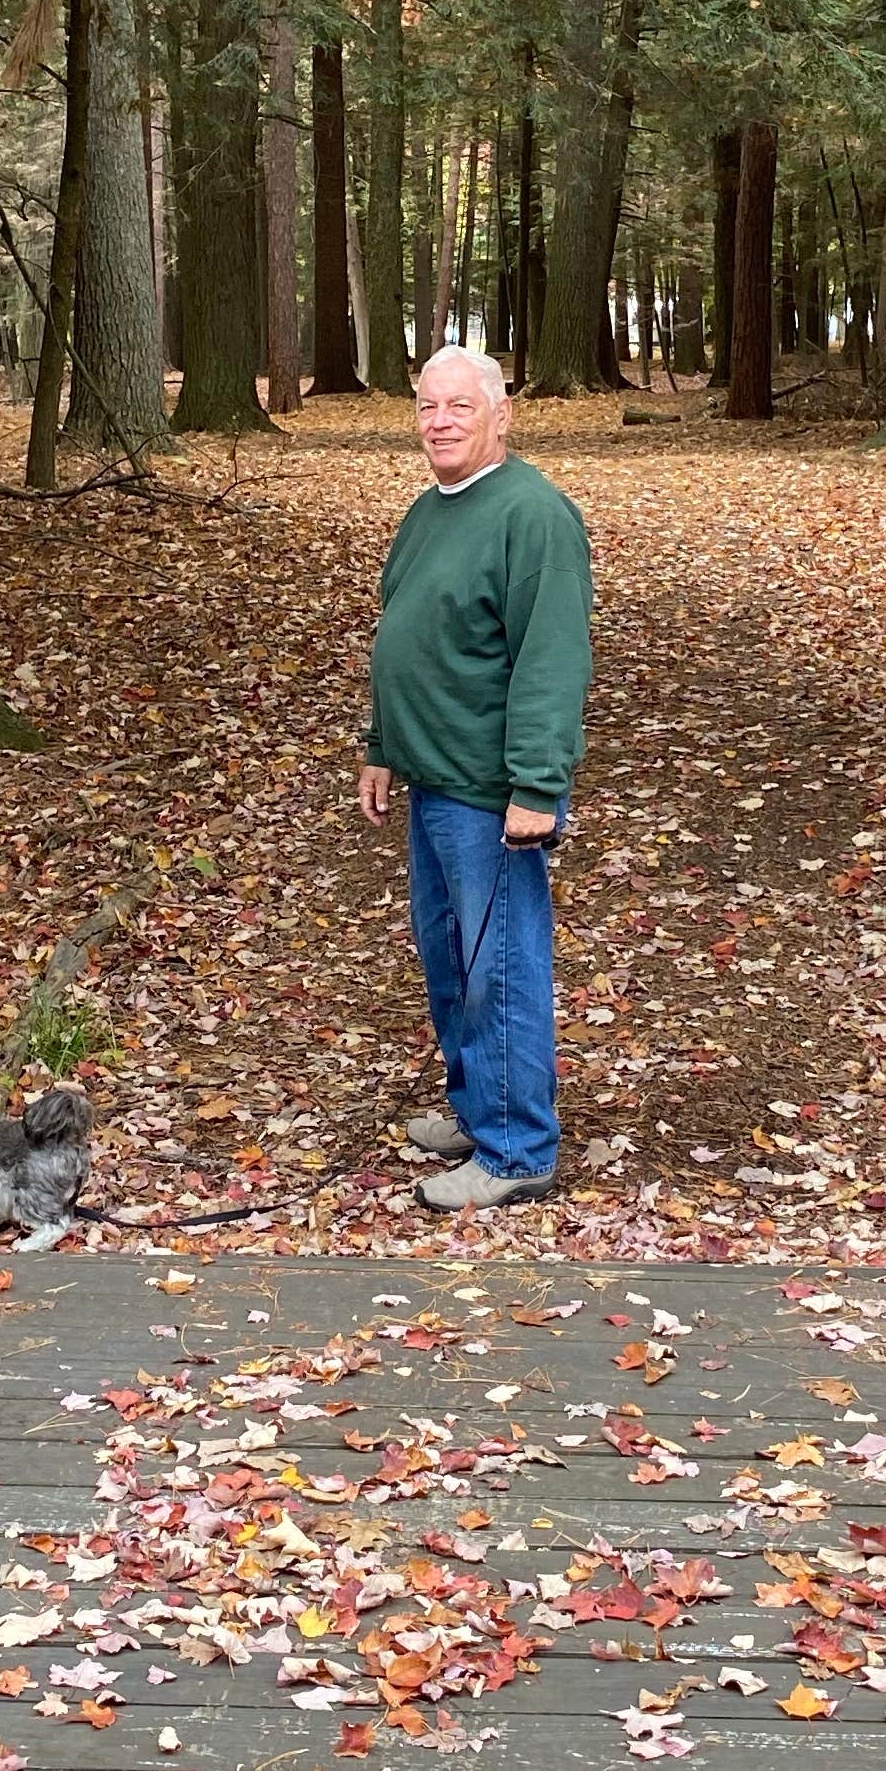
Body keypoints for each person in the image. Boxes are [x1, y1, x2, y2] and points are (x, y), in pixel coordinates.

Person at [358, 344, 595, 1210]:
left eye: (460, 406)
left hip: (492, 788)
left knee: (500, 962)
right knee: (451, 960)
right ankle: (479, 1106)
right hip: (431, 775)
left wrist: (537, 786)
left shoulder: (533, 516)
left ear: (502, 414)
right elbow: (404, 632)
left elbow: (552, 659)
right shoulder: (429, 512)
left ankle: (518, 1148)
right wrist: (382, 741)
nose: (440, 422)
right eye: (427, 406)